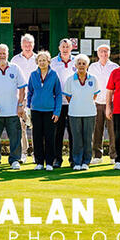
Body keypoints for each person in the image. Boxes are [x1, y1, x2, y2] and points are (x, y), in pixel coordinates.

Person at [0, 44, 27, 171]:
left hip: (12, 111)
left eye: (4, 53)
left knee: (15, 137)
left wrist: (20, 105)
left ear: (8, 54)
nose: (2, 56)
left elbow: (22, 88)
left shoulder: (15, 68)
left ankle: (14, 160)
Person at [63, 54, 99, 171]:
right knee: (77, 138)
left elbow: (94, 95)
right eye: (79, 63)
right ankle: (77, 162)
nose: (82, 66)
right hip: (74, 113)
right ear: (75, 65)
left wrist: (85, 102)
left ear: (87, 65)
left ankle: (86, 162)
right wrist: (77, 103)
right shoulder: (70, 80)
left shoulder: (93, 79)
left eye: (84, 63)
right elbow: (68, 97)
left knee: (88, 138)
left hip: (90, 112)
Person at [27, 51, 61, 171]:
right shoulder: (33, 75)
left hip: (49, 111)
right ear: (37, 62)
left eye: (44, 60)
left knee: (49, 137)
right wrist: (28, 107)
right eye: (40, 60)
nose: (42, 62)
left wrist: (57, 112)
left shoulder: (54, 75)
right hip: (36, 110)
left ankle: (50, 163)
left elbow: (58, 94)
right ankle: (39, 162)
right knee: (36, 137)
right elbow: (30, 92)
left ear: (48, 61)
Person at [88, 44, 119, 164]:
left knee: (113, 130)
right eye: (101, 51)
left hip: (111, 103)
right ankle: (97, 156)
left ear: (109, 53)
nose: (104, 54)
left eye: (106, 51)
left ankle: (113, 156)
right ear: (97, 53)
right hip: (96, 102)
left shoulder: (115, 67)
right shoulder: (92, 67)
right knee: (97, 130)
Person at [10, 33, 37, 164]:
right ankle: (23, 153)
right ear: (21, 45)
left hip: (35, 98)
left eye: (30, 44)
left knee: (36, 127)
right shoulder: (15, 60)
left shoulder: (38, 59)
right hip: (19, 98)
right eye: (25, 44)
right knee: (20, 127)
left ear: (33, 45)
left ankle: (36, 154)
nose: (27, 46)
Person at [50, 38, 76, 168]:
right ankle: (57, 159)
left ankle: (73, 159)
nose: (65, 49)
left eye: (67, 47)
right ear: (59, 48)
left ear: (71, 48)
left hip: (73, 102)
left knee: (73, 132)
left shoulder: (77, 61)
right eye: (63, 47)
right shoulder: (53, 62)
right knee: (57, 132)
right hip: (57, 102)